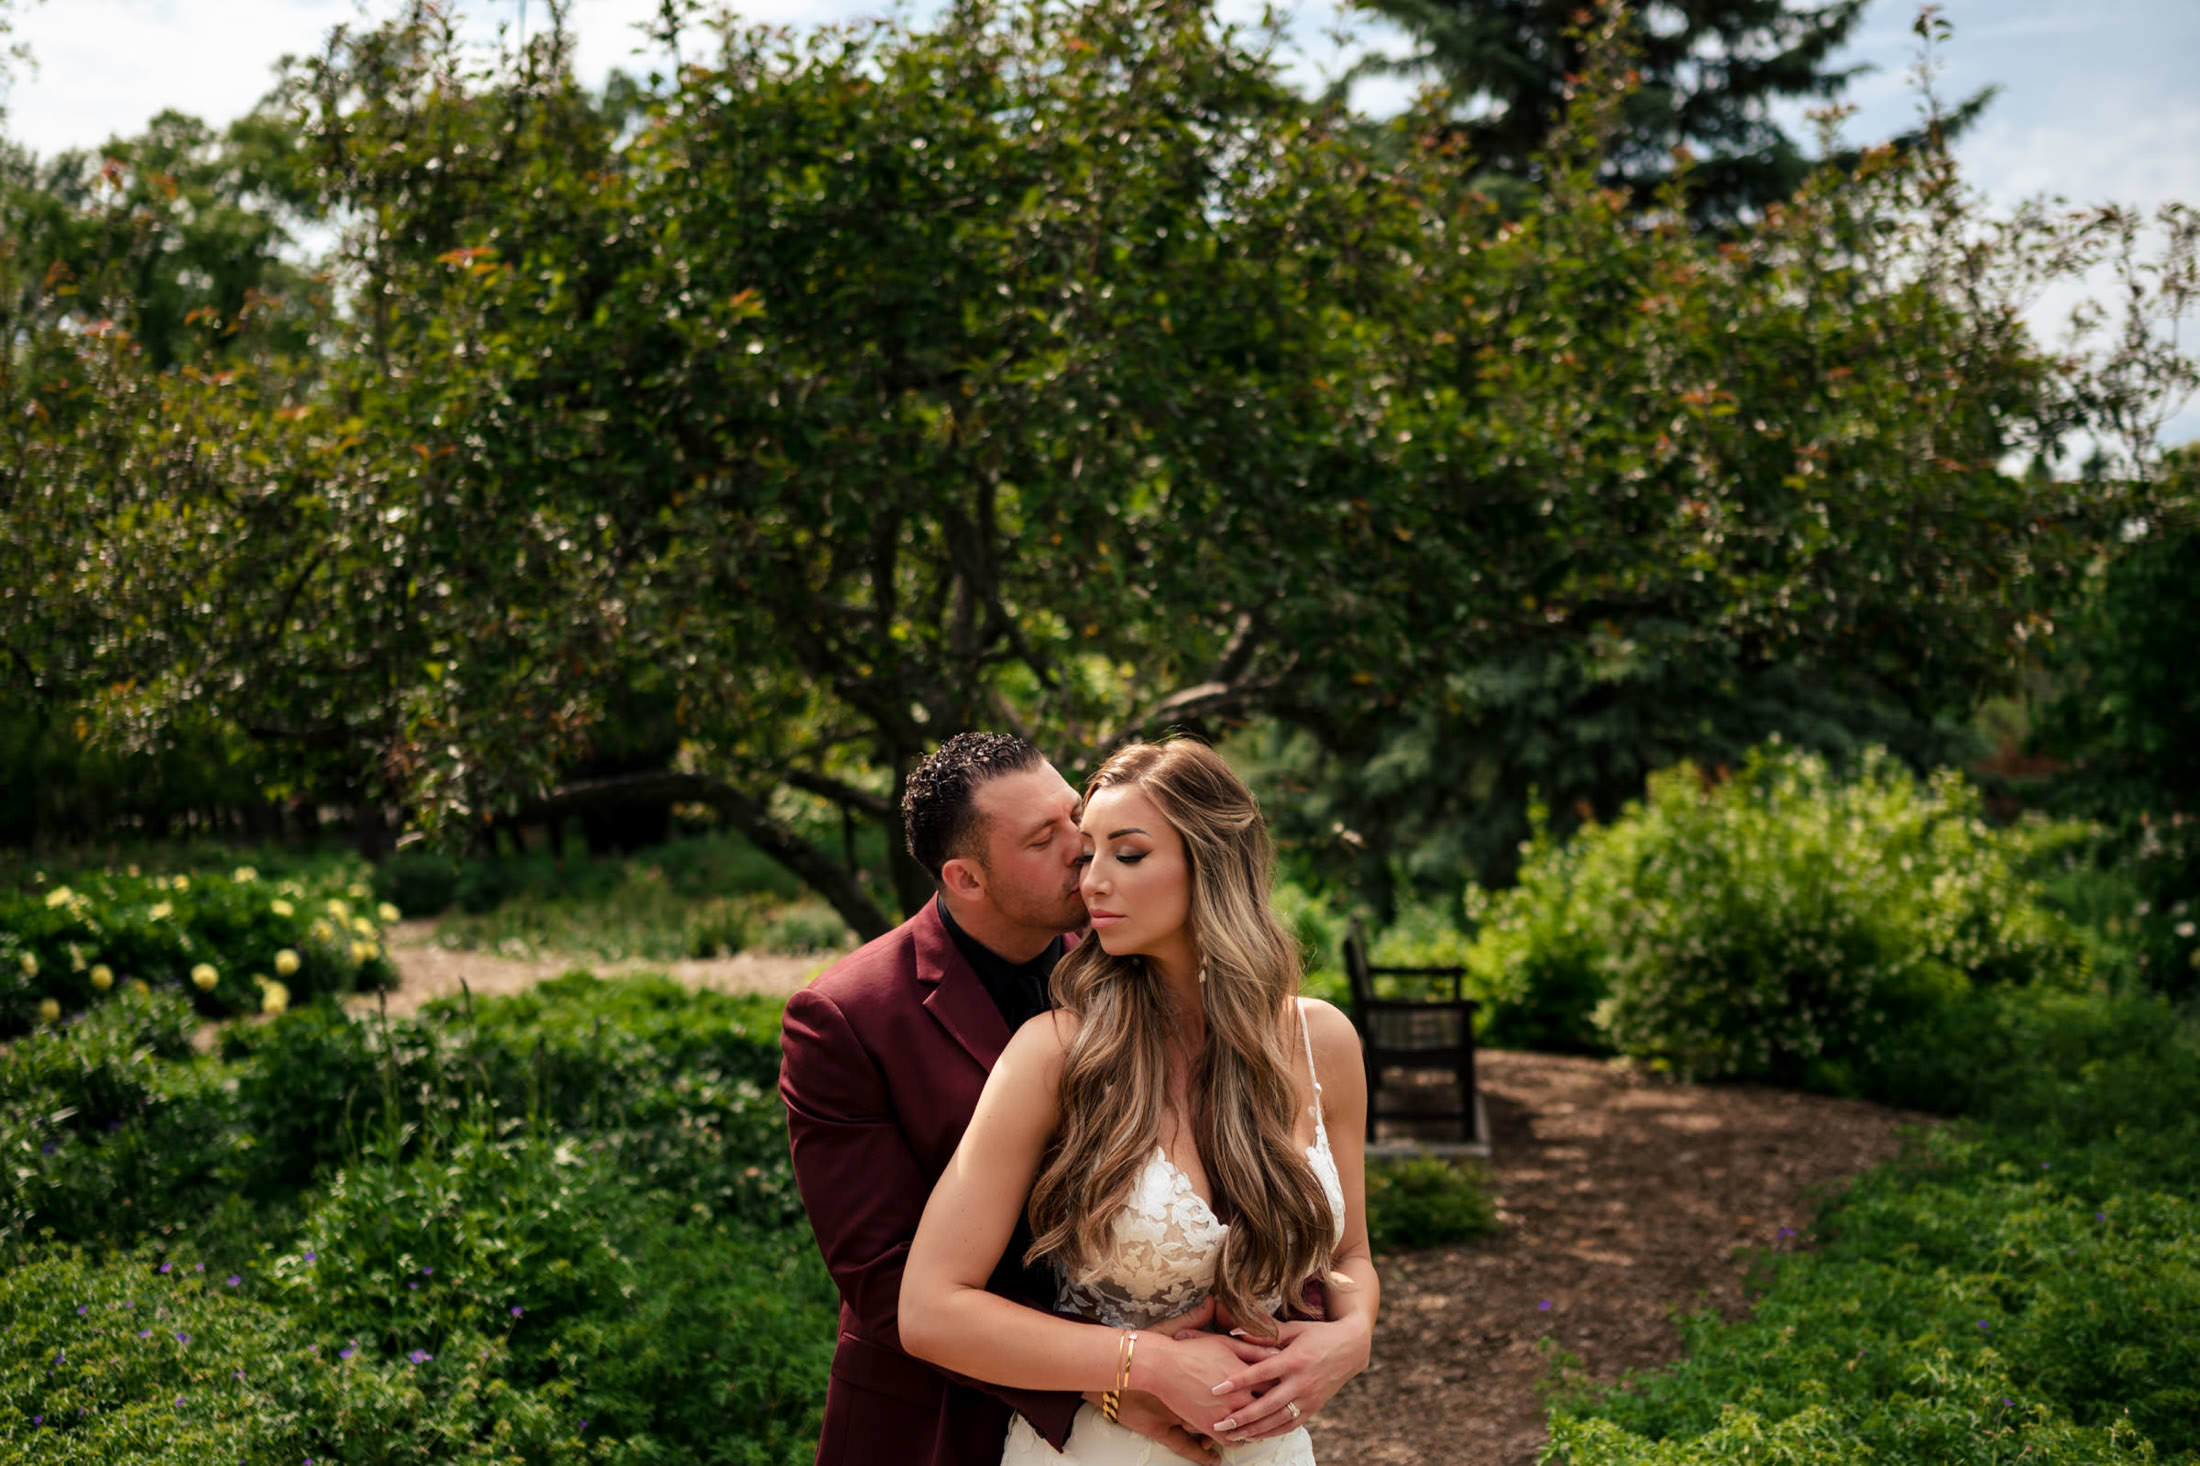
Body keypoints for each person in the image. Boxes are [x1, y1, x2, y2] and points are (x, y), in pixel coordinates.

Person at [899, 738, 1379, 1465]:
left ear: (1213, 862)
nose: (1091, 880)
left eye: (1127, 855)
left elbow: (1351, 1254)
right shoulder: (1056, 1053)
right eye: (1087, 854)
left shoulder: (1322, 1043)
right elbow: (931, 1310)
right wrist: (1140, 1364)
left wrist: (1353, 1336)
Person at [783, 732, 1254, 1466]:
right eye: (1046, 839)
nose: (1083, 848)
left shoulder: (1132, 958)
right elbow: (886, 1280)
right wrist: (1105, 1379)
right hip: (938, 1421)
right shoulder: (845, 1018)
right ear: (966, 879)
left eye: (1076, 814)